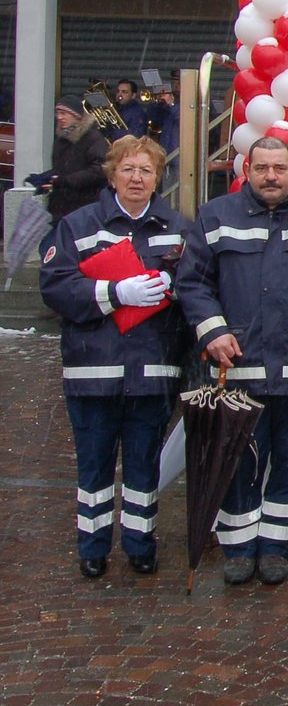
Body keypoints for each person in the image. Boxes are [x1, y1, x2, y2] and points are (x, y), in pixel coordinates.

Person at [176, 136, 288, 585]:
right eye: (262, 167)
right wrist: (212, 329)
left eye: (280, 168)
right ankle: (238, 548)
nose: (271, 176)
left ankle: (276, 549)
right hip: (238, 372)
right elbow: (192, 283)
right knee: (237, 466)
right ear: (246, 169)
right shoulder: (215, 217)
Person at [39, 136, 189, 578]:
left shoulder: (178, 228)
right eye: (128, 169)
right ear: (112, 174)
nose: (137, 178)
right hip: (93, 369)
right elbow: (55, 286)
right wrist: (112, 292)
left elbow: (199, 284)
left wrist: (176, 288)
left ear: (159, 176)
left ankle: (140, 543)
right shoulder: (77, 225)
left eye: (146, 170)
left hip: (153, 369)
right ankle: (93, 546)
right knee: (94, 464)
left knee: (144, 466)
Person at [38, 96, 109, 222]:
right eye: (58, 113)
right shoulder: (60, 140)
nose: (59, 117)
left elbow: (100, 170)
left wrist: (67, 181)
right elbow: (60, 169)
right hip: (60, 208)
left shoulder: (93, 138)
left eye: (64, 113)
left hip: (85, 207)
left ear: (76, 115)